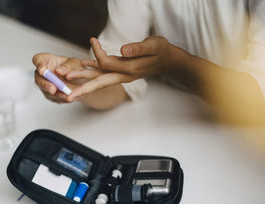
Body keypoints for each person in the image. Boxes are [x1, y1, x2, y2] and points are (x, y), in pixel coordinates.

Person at [33, 0, 265, 124]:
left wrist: (176, 65)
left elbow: (258, 101)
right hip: (173, 127)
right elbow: (120, 83)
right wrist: (80, 85)